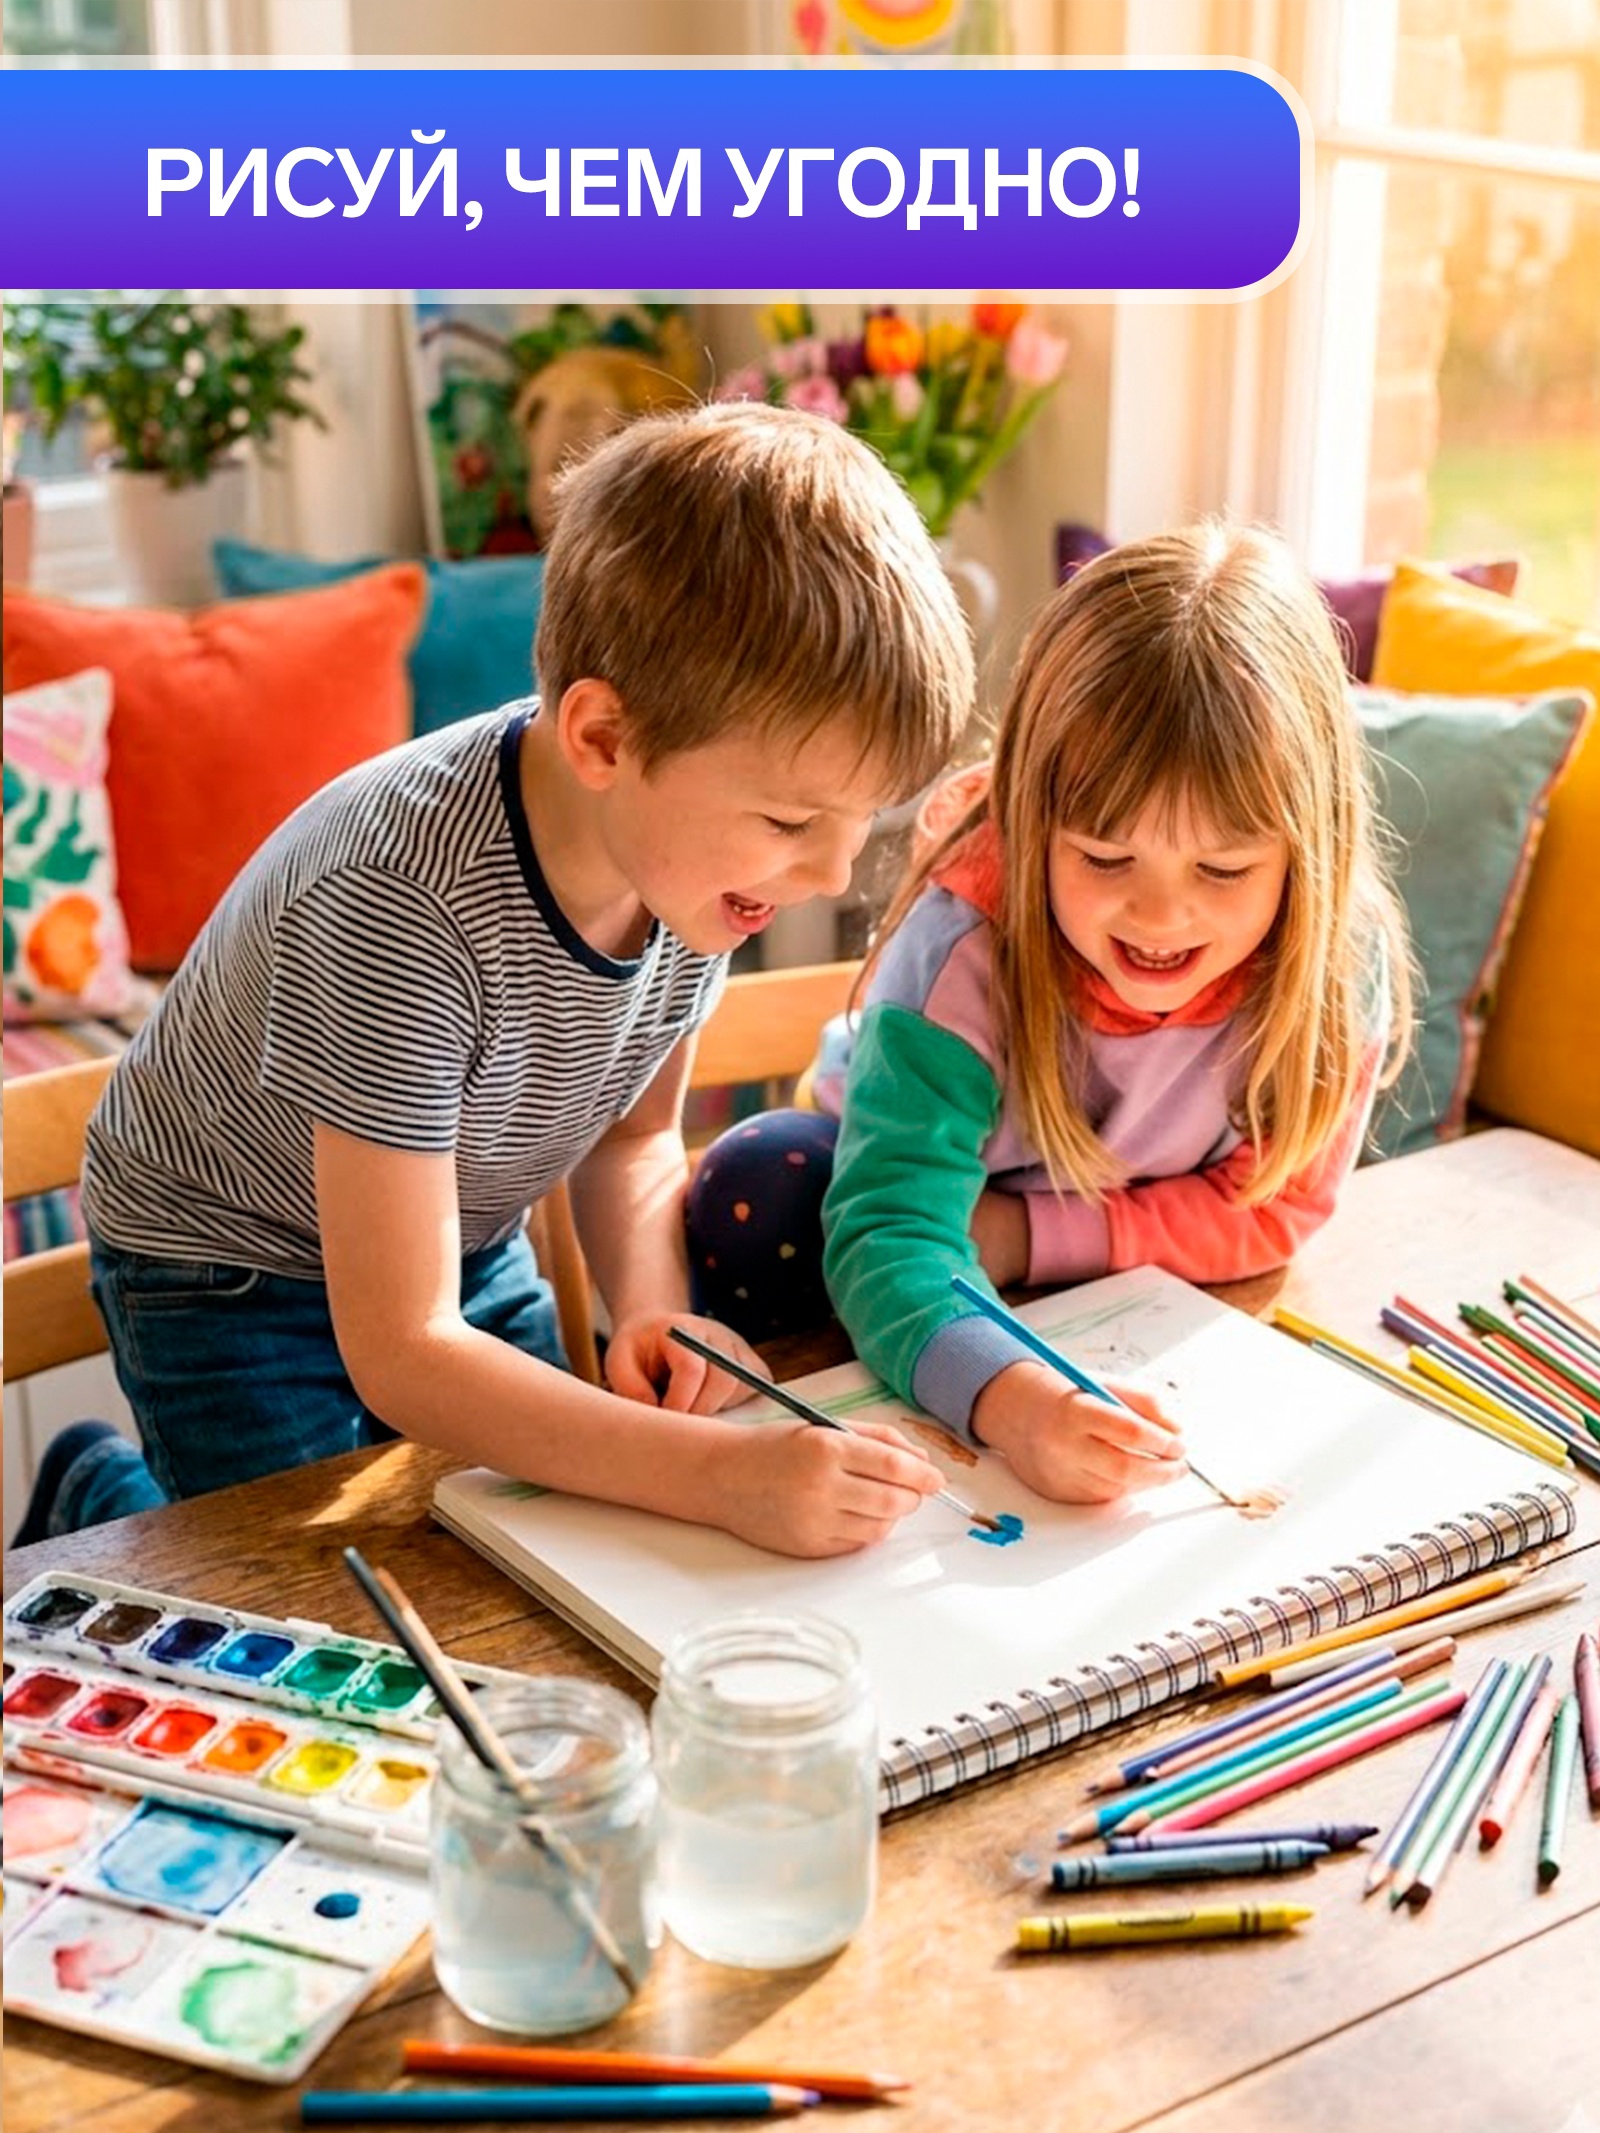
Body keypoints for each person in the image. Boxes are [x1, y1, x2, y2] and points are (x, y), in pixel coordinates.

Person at [43, 403, 974, 1561]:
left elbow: (633, 1139)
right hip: (230, 1267)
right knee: (309, 1586)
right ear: (601, 740)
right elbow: (406, 1352)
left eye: (856, 824)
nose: (832, 873)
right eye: (791, 821)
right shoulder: (399, 903)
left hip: (453, 1233)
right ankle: (97, 1498)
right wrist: (721, 1475)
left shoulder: (695, 866)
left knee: (531, 1544)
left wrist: (649, 1305)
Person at [689, 522, 1413, 1505]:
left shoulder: (1337, 958)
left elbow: (1277, 1209)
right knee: (762, 1187)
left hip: (1035, 1236)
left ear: (1308, 851)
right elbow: (894, 1233)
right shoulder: (965, 954)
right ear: (1031, 824)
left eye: (1223, 868)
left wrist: (1023, 1237)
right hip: (905, 1197)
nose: (1159, 916)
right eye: (1104, 859)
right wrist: (1017, 1404)